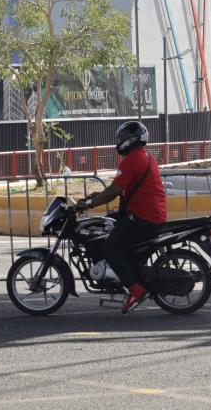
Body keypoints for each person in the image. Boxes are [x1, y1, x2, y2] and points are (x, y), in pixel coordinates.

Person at [76, 121, 166, 314]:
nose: (119, 142)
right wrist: (93, 197)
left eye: (121, 139)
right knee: (108, 221)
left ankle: (135, 290)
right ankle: (122, 275)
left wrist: (90, 204)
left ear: (130, 140)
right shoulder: (145, 157)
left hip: (143, 217)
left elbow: (114, 191)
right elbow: (117, 187)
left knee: (110, 248)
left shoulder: (132, 159)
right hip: (148, 214)